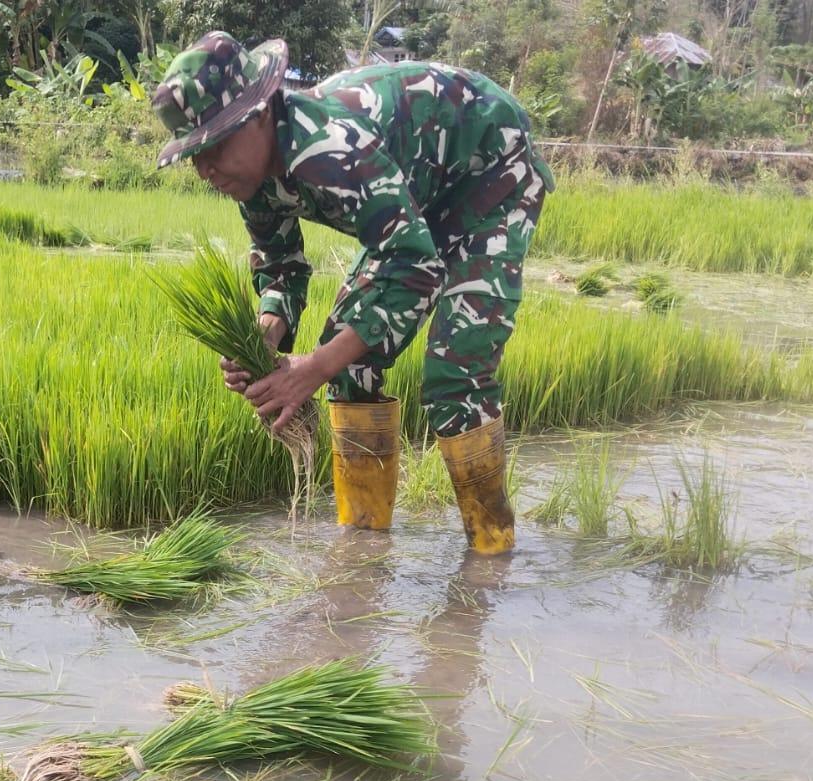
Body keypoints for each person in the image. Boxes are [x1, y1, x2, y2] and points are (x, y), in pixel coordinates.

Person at [152, 33, 556, 554]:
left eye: (214, 145)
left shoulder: (330, 149)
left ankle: (490, 557)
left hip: (489, 171)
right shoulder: (250, 180)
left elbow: (414, 265)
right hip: (411, 196)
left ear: (256, 116)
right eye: (194, 154)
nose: (205, 169)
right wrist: (264, 338)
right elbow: (281, 266)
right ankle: (363, 552)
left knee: (456, 370)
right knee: (349, 363)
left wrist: (313, 367)